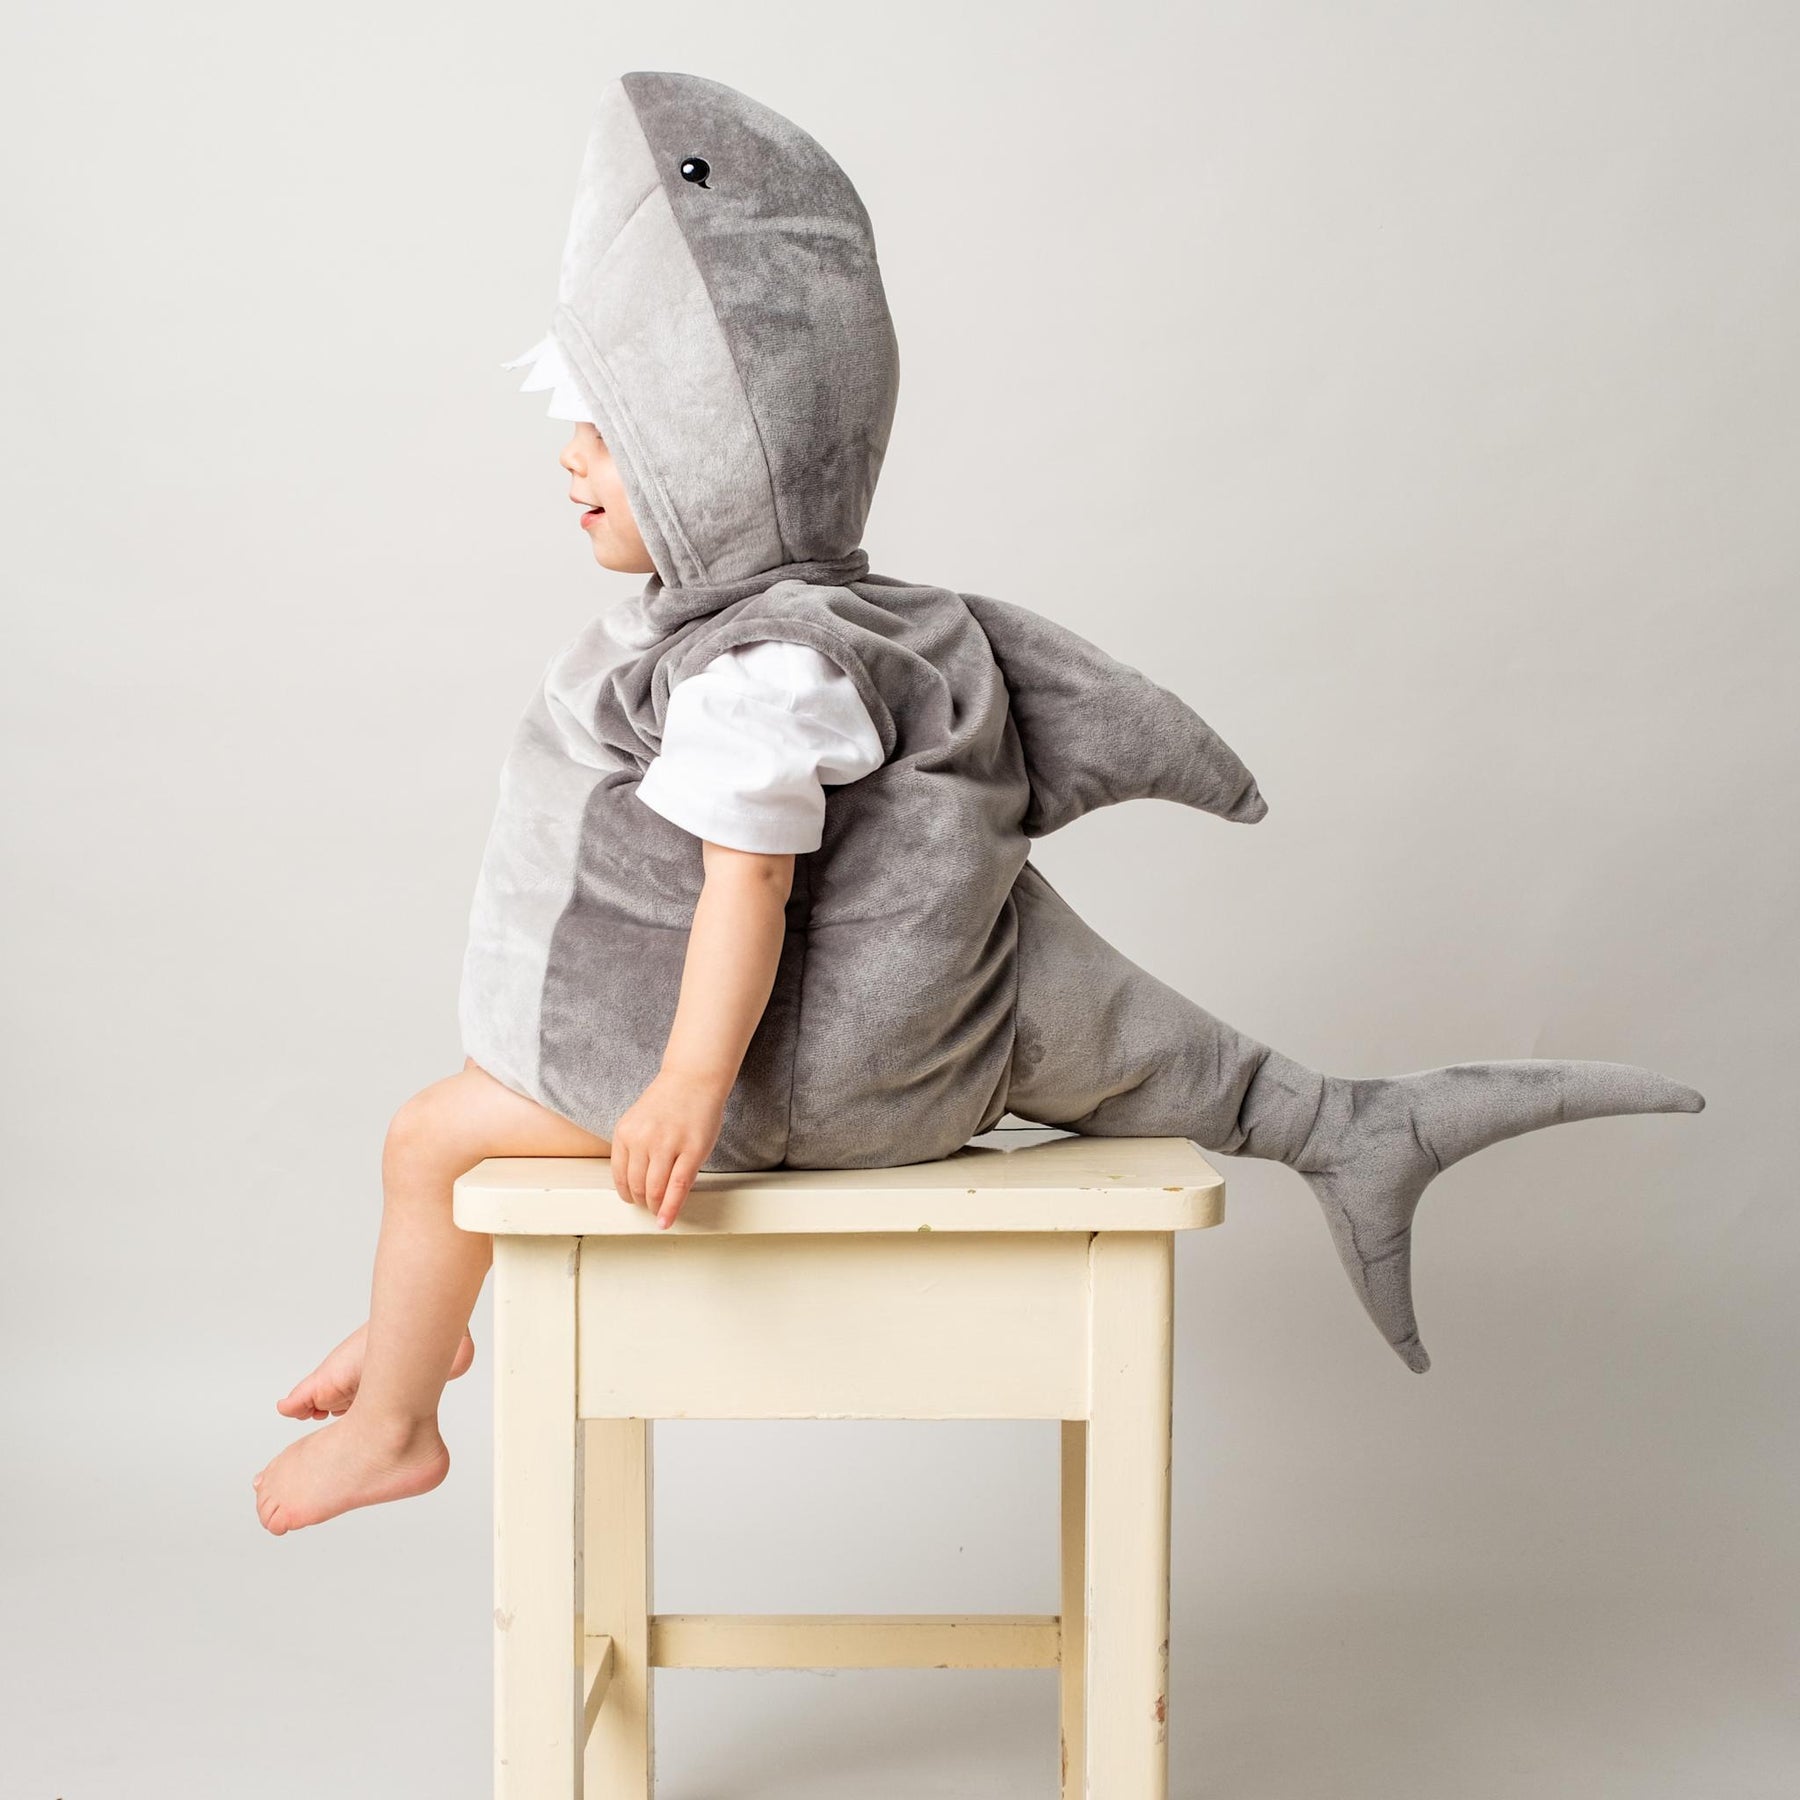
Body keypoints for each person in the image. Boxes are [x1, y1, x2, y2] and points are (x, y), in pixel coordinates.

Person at [253, 72, 1704, 1536]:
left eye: (611, 433)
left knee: (429, 1141)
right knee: (469, 1113)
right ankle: (420, 1318)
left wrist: (688, 1087)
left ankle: (399, 1425)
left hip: (790, 1086)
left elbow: (749, 884)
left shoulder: (760, 669)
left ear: (720, 460)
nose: (570, 456)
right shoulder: (839, 619)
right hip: (863, 1045)